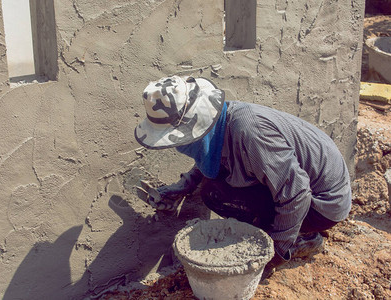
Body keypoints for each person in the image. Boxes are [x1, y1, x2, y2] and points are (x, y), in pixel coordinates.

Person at [134, 75, 352, 280]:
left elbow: (297, 193)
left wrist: (271, 257)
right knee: (213, 189)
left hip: (322, 204)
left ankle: (298, 239)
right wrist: (184, 185)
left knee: (218, 195)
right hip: (301, 185)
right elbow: (212, 157)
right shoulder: (219, 126)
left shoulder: (251, 133)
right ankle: (279, 232)